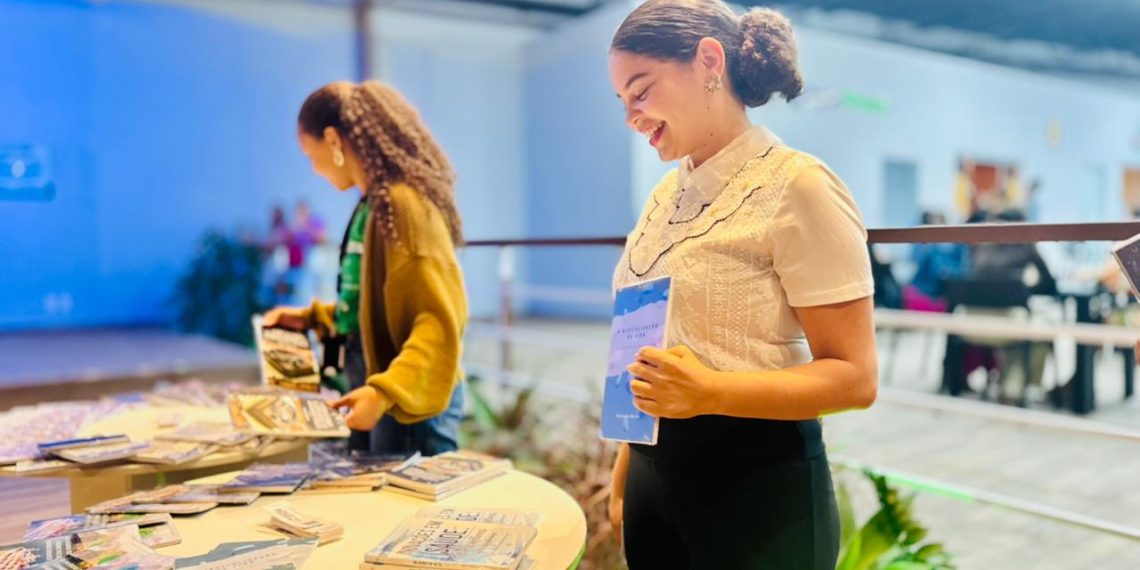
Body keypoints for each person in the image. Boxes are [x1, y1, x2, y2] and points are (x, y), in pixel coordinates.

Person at [607, 2, 878, 568]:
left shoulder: (798, 185)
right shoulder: (664, 197)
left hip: (758, 489)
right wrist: (626, 466)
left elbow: (855, 378)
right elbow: (648, 346)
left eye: (641, 91)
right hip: (654, 474)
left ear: (709, 60)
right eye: (623, 101)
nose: (631, 115)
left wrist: (710, 393)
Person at [264, 81, 467, 456]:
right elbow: (377, 307)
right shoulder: (373, 206)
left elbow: (439, 322)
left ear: (333, 139)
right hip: (387, 396)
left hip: (407, 408)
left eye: (311, 155)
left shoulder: (403, 207)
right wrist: (314, 317)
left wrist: (384, 392)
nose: (314, 169)